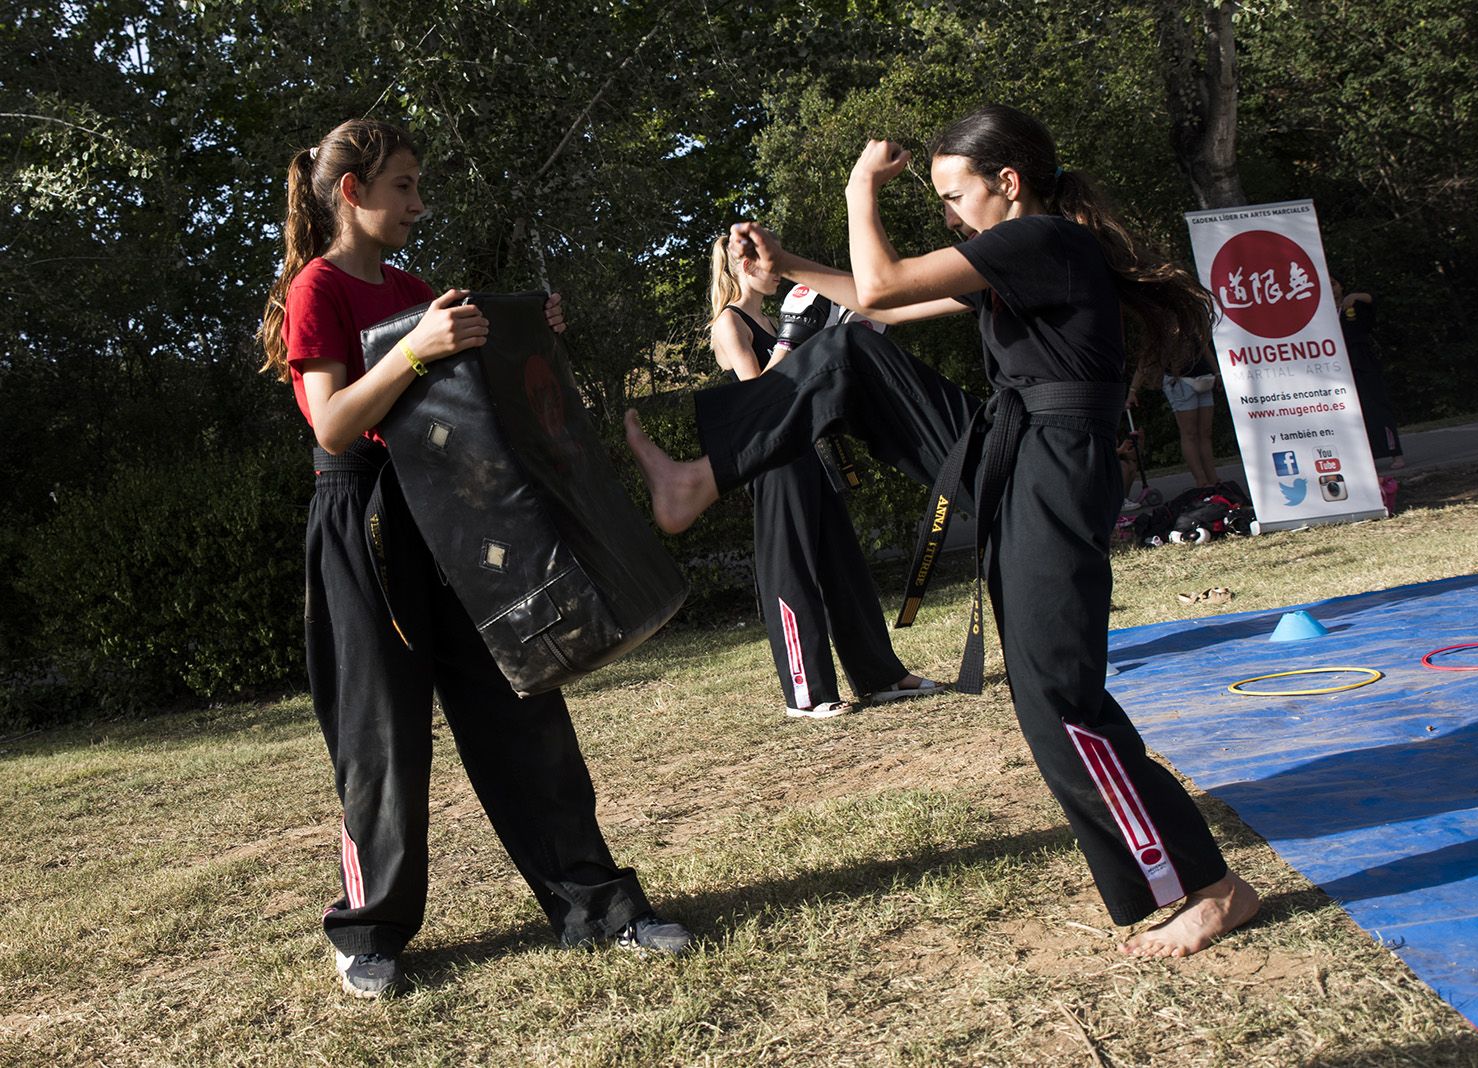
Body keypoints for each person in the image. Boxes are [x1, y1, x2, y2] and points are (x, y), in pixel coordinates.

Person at [625, 105, 1259, 957]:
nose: (951, 215)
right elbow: (875, 304)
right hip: (1008, 445)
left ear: (1009, 182)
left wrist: (860, 189)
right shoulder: (1021, 254)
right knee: (849, 355)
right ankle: (701, 478)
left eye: (956, 195)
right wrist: (793, 267)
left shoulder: (1044, 243)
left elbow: (883, 286)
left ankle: (1213, 887)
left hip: (1053, 469)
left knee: (1058, 700)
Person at [258, 118, 690, 998]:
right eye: (405, 187)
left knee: (520, 706)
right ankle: (367, 932)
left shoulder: (415, 287)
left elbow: (475, 388)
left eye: (419, 187)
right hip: (361, 519)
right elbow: (334, 420)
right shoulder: (319, 287)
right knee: (380, 733)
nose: (419, 204)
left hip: (446, 510)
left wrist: (531, 328)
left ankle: (598, 907)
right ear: (352, 192)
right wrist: (419, 348)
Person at [706, 236, 944, 718]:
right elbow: (759, 402)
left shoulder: (771, 320)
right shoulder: (730, 323)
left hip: (808, 448)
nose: (777, 271)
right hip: (769, 459)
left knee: (843, 564)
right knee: (792, 567)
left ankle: (881, 676)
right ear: (744, 264)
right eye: (767, 264)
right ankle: (807, 692)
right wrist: (794, 340)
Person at [1129, 338, 1221, 490]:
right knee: (1189, 433)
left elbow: (1204, 347)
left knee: (1206, 432)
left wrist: (1216, 371)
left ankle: (1214, 479)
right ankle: (1202, 481)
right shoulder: (1162, 324)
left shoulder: (1192, 320)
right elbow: (1146, 359)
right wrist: (1133, 390)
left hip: (1204, 377)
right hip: (1179, 380)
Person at [1332, 278, 1404, 469]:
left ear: (1341, 286)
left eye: (1334, 284)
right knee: (1353, 413)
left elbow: (1374, 299)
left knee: (1378, 407)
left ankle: (1395, 453)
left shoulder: (1354, 304)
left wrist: (1355, 296)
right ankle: (1366, 457)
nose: (1332, 289)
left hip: (1363, 361)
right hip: (1338, 366)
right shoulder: (1322, 312)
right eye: (1327, 285)